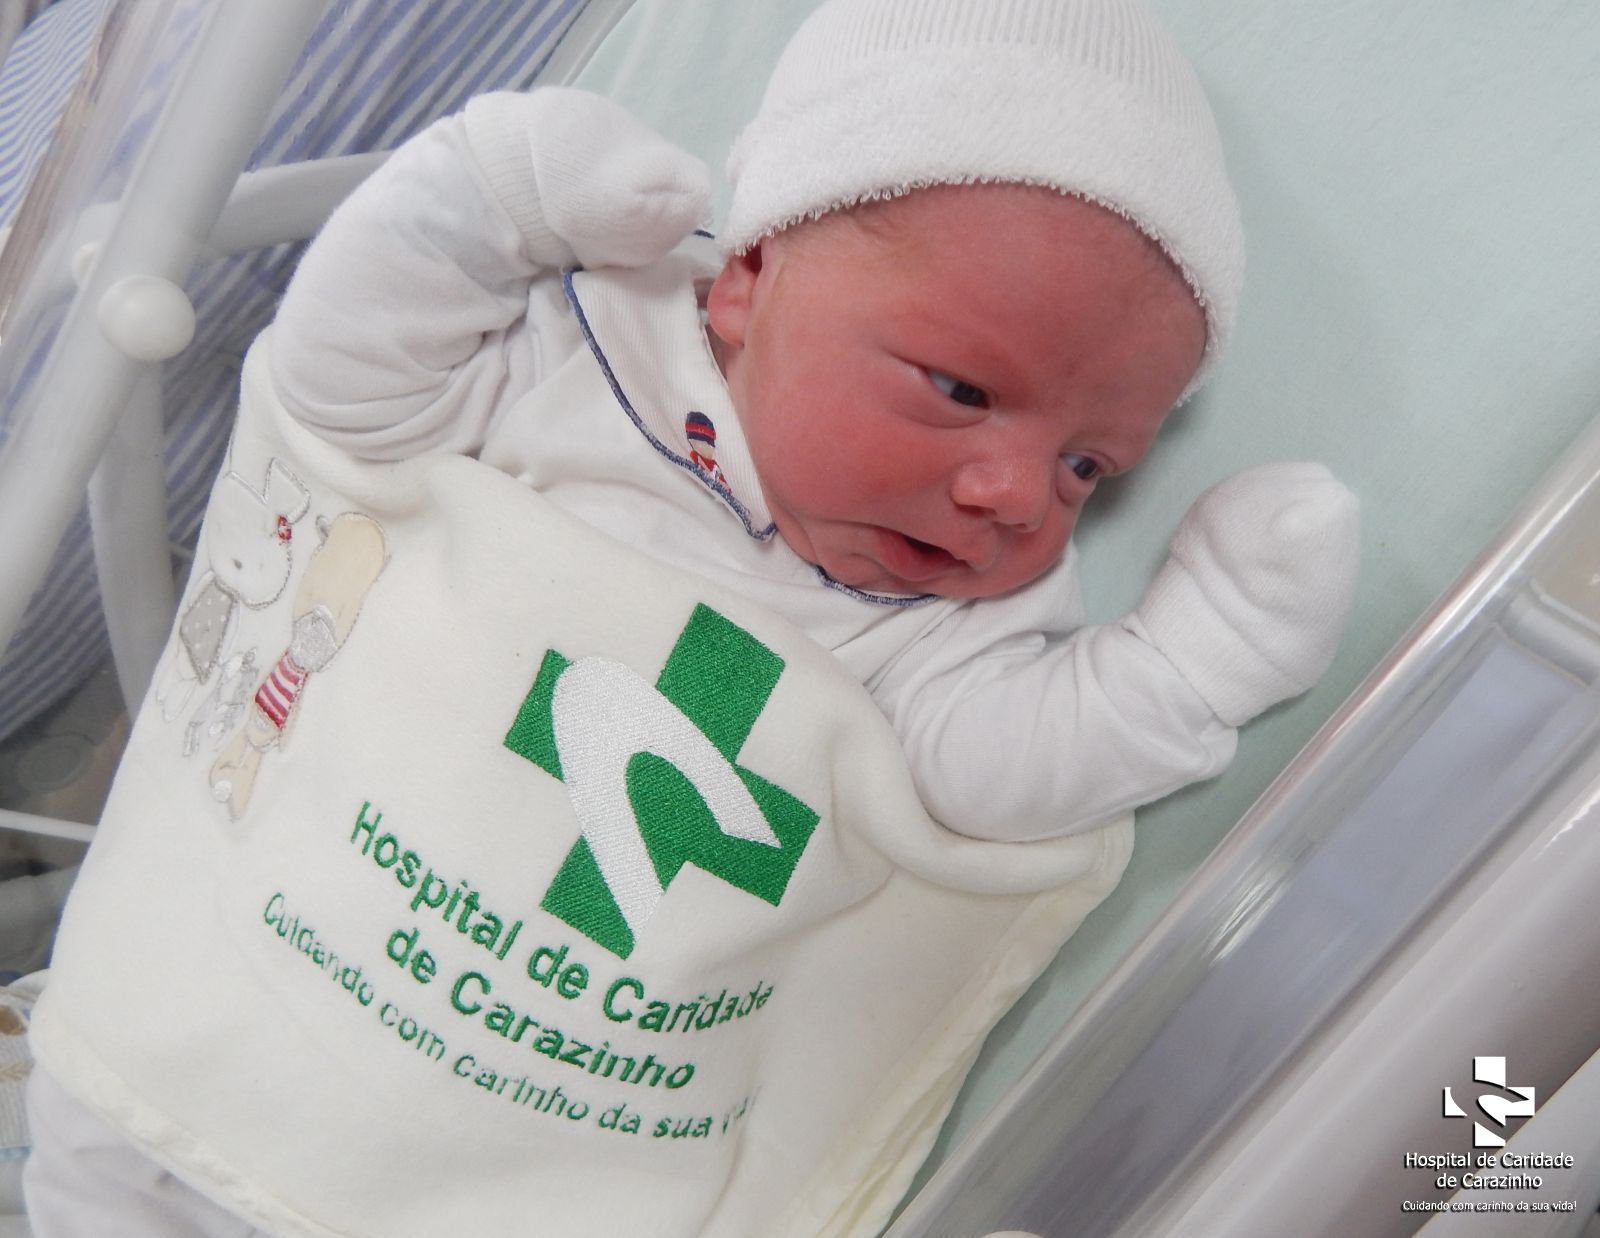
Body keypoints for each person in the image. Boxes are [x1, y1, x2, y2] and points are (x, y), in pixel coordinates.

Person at [24, 0, 1358, 1233]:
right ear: (748, 278)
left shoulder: (943, 619)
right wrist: (479, 198)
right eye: (960, 388)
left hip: (512, 1166)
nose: (1013, 492)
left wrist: (1192, 667)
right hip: (210, 1046)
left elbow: (991, 781)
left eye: (1088, 467)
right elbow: (344, 400)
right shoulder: (583, 351)